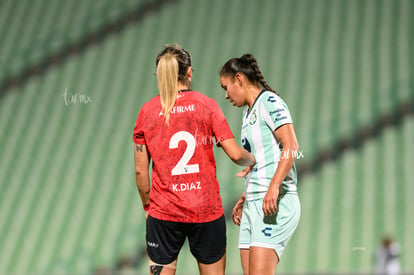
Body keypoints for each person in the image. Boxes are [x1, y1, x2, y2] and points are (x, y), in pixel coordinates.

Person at [133, 44, 256, 275]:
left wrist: (148, 205)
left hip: (164, 214)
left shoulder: (147, 112)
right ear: (189, 73)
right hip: (206, 210)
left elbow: (141, 172)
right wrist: (255, 160)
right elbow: (235, 154)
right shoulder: (206, 105)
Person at [219, 54, 301, 275]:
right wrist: (246, 195)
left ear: (239, 79)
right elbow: (263, 158)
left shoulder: (270, 102)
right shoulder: (248, 114)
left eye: (226, 87)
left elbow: (291, 146)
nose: (226, 95)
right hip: (254, 203)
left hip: (275, 203)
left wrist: (273, 186)